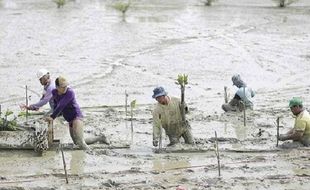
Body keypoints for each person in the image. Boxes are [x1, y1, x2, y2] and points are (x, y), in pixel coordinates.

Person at [45, 76, 90, 150]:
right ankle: (100, 138)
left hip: (76, 117)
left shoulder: (70, 92)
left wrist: (52, 117)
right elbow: (56, 106)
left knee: (81, 143)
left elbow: (61, 105)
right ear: (57, 87)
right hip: (69, 120)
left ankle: (92, 154)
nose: (65, 88)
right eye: (63, 86)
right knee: (77, 143)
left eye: (66, 85)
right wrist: (50, 116)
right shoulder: (54, 92)